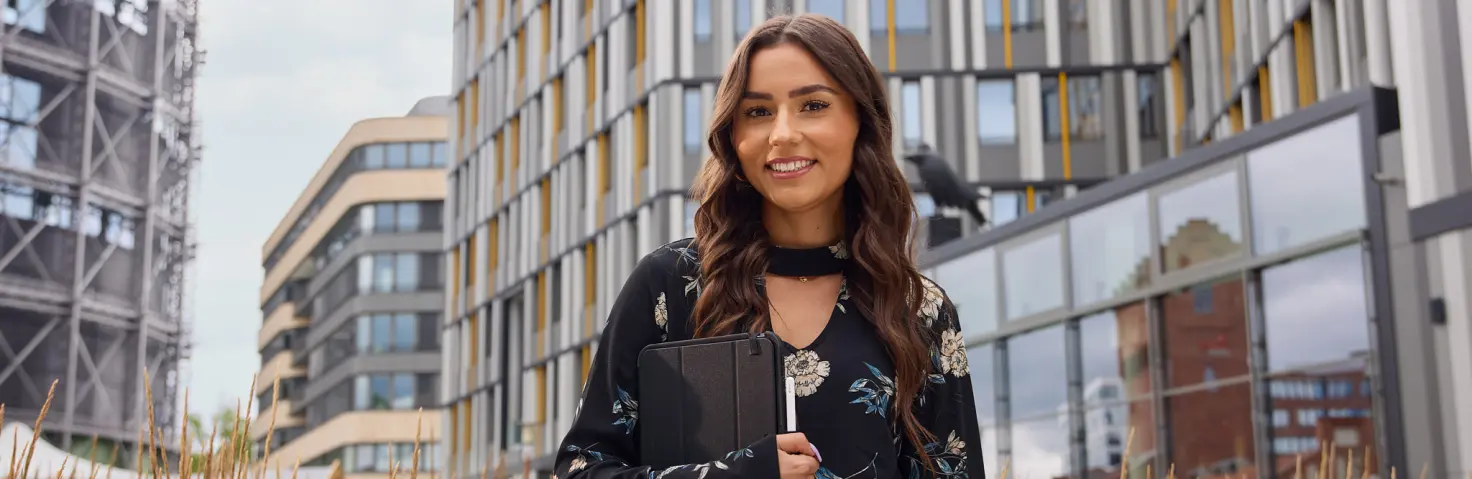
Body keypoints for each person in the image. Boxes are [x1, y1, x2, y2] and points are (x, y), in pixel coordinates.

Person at [553, 13, 986, 479]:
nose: (782, 134)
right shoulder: (670, 283)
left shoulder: (918, 311)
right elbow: (580, 469)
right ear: (733, 136)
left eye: (813, 105)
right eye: (758, 112)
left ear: (861, 121)